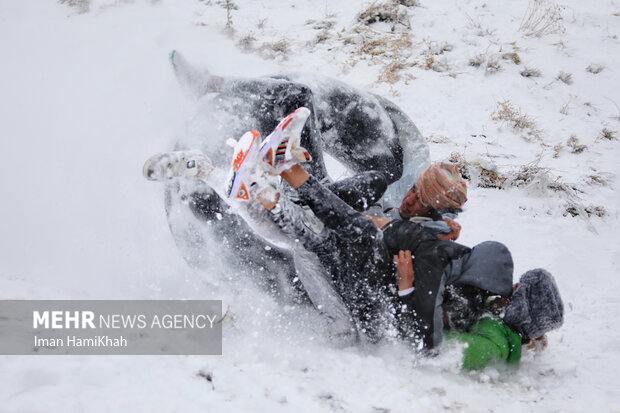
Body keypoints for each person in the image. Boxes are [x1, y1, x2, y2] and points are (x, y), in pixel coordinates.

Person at [144, 108, 513, 349]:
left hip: (350, 282)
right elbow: (385, 226)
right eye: (413, 192)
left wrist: (405, 284)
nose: (410, 201)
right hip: (351, 261)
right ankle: (230, 174)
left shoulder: (436, 249)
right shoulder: (434, 235)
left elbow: (420, 329)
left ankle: (262, 177)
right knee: (329, 219)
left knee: (314, 237)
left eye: (419, 201)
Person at [444, 269, 564, 370]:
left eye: (516, 288)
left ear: (520, 307)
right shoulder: (497, 323)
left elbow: (445, 348)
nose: (509, 288)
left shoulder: (494, 345)